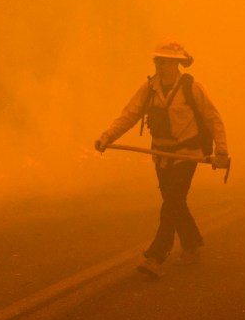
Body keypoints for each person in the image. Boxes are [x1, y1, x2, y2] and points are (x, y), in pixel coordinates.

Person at [95, 40, 230, 278]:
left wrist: (221, 151)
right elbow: (129, 115)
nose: (160, 65)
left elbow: (212, 118)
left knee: (170, 206)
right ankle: (192, 244)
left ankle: (156, 257)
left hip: (186, 155)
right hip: (160, 155)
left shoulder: (191, 87)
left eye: (165, 61)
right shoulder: (149, 88)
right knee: (174, 203)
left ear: (177, 64)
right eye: (157, 60)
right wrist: (107, 136)